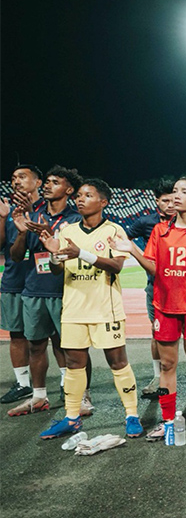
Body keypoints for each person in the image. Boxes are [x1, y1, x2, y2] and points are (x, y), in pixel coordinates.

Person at [115, 176, 186, 442]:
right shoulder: (159, 231)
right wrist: (133, 250)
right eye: (175, 191)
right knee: (167, 364)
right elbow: (155, 269)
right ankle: (167, 422)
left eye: (184, 191)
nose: (177, 195)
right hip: (165, 305)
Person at [37, 178, 143, 439]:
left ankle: (132, 415)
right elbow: (56, 269)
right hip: (73, 310)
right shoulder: (67, 231)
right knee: (74, 364)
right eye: (79, 196)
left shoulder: (115, 230)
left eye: (88, 195)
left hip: (106, 309)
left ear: (103, 202)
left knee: (117, 362)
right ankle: (72, 418)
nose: (80, 199)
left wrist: (81, 254)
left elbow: (117, 266)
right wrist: (53, 255)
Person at [7, 165, 83, 417]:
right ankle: (39, 396)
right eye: (47, 181)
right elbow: (17, 257)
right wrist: (21, 233)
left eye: (55, 182)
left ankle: (76, 393)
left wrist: (54, 242)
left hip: (64, 291)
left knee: (69, 346)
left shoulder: (74, 219)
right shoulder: (33, 214)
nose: (48, 185)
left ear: (69, 190)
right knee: (35, 346)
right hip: (33, 290)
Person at [127, 179, 186, 396]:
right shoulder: (147, 224)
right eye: (165, 200)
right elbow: (124, 239)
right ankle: (157, 377)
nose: (171, 204)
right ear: (157, 202)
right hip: (156, 287)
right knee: (157, 334)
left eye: (174, 199)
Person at [0, 164, 43, 405]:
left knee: (52, 335)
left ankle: (63, 381)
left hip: (43, 282)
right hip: (14, 280)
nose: (16, 181)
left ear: (38, 182)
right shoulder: (8, 210)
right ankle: (23, 383)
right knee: (16, 334)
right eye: (14, 177)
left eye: (23, 177)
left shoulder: (48, 210)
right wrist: (3, 217)